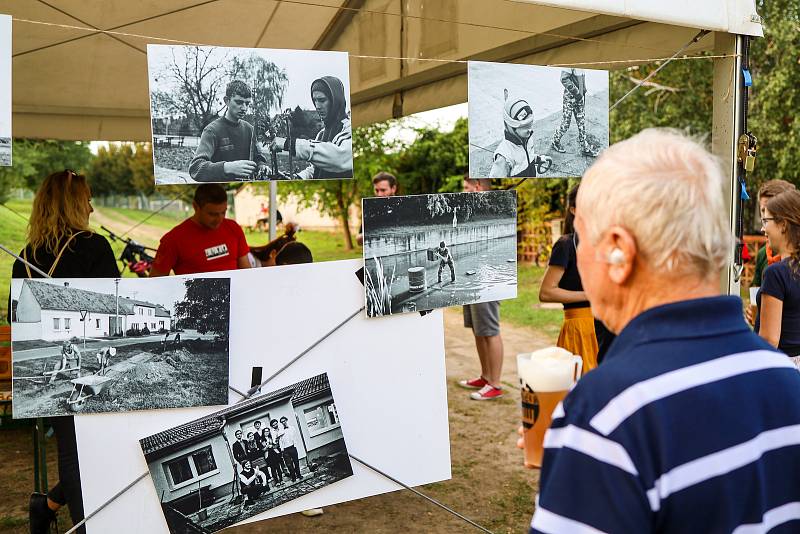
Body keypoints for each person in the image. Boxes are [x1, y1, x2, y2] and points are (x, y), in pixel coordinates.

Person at [526, 128, 800, 534]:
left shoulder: (605, 410)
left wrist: (578, 460)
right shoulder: (785, 379)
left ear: (619, 250)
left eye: (583, 237)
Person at [11, 170, 120, 534]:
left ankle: (52, 507)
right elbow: (109, 304)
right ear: (74, 203)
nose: (91, 206)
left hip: (60, 356)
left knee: (73, 452)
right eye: (86, 198)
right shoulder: (95, 247)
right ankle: (86, 526)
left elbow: (20, 322)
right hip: (85, 359)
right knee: (89, 455)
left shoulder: (23, 257)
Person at [538, 184, 614, 371]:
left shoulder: (607, 241)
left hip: (609, 325)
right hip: (581, 328)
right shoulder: (566, 244)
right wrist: (588, 295)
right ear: (573, 209)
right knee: (581, 389)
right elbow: (547, 293)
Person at [458, 176, 505, 401]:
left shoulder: (494, 209)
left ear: (477, 187)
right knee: (478, 329)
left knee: (490, 330)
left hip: (489, 278)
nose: (464, 192)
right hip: (472, 275)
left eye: (466, 188)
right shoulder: (473, 211)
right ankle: (486, 376)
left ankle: (495, 384)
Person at [149, 184, 251, 276]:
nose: (219, 219)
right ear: (195, 207)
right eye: (212, 214)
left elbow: (247, 273)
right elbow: (156, 281)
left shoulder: (233, 228)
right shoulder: (173, 240)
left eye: (223, 212)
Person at [271, 76, 352, 180]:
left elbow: (339, 158)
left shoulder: (349, 128)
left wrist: (289, 143)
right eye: (315, 100)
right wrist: (298, 177)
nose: (317, 106)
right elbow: (316, 169)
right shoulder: (322, 133)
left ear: (335, 101)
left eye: (322, 100)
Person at [188, 80, 269, 182]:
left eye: (247, 103)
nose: (244, 108)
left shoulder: (249, 129)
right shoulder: (212, 130)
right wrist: (227, 167)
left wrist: (262, 166)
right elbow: (196, 168)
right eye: (239, 102)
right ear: (227, 101)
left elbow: (258, 158)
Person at [755, 189, 800, 366]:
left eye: (766, 221)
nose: (762, 228)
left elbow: (769, 340)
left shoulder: (776, 273)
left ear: (783, 224)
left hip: (779, 365)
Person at [489, 91, 552, 178]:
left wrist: (538, 159)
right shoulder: (505, 157)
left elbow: (526, 155)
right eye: (525, 126)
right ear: (511, 127)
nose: (530, 129)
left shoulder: (527, 137)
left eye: (530, 124)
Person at [751, 180, 797, 288]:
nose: (765, 217)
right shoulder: (763, 254)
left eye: (770, 210)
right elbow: (756, 289)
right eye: (763, 210)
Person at [551, 68, 599, 157]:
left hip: (579, 99)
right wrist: (577, 92)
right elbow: (563, 79)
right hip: (569, 98)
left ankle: (585, 148)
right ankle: (555, 141)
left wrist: (583, 91)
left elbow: (580, 80)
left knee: (581, 124)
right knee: (565, 124)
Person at [357, 172, 398, 245]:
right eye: (376, 190)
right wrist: (370, 234)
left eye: (383, 190)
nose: (379, 194)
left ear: (393, 188)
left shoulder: (404, 206)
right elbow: (359, 240)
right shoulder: (370, 209)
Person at [278, 416, 302, 481]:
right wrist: (282, 449)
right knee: (289, 464)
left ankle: (299, 475)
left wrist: (295, 446)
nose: (283, 422)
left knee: (296, 462)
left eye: (284, 421)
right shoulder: (280, 431)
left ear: (287, 420)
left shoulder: (292, 428)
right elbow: (280, 440)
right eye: (282, 422)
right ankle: (293, 477)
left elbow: (295, 437)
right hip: (285, 450)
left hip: (292, 447)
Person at [265, 422, 285, 486]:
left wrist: (273, 446)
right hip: (268, 456)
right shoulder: (262, 440)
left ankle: (281, 480)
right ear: (263, 433)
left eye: (268, 431)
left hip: (275, 454)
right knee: (273, 469)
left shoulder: (271, 438)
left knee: (278, 468)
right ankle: (277, 482)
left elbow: (276, 445)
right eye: (265, 431)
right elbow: (262, 450)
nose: (267, 432)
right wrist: (267, 447)